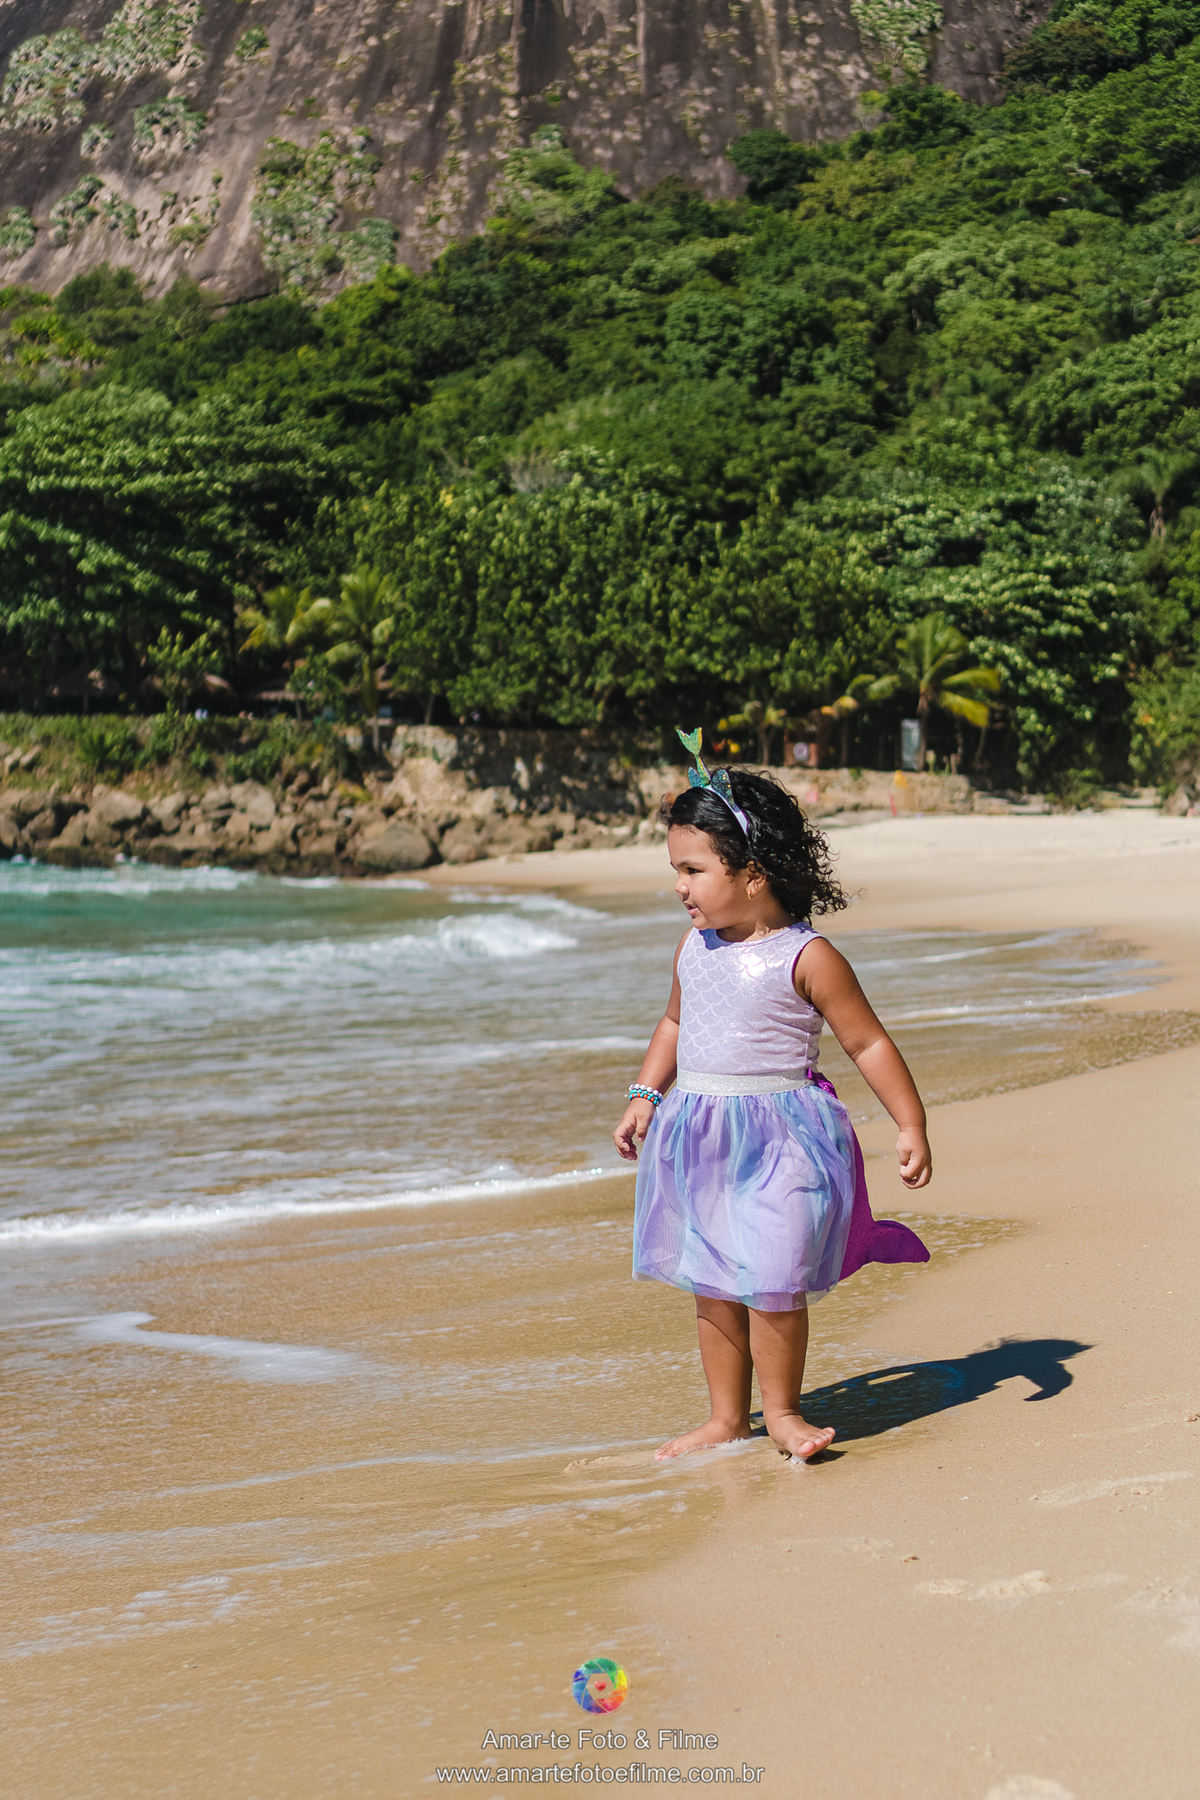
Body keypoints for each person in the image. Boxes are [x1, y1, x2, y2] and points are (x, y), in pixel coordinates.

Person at [613, 733, 932, 1464]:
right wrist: (643, 1093)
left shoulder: (806, 955)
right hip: (697, 1138)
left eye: (693, 869)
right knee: (715, 1283)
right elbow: (674, 1022)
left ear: (753, 873)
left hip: (784, 1137)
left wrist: (909, 1122)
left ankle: (782, 1411)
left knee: (775, 1276)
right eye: (676, 870)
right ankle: (728, 1417)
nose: (679, 886)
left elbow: (868, 1044)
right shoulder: (693, 950)